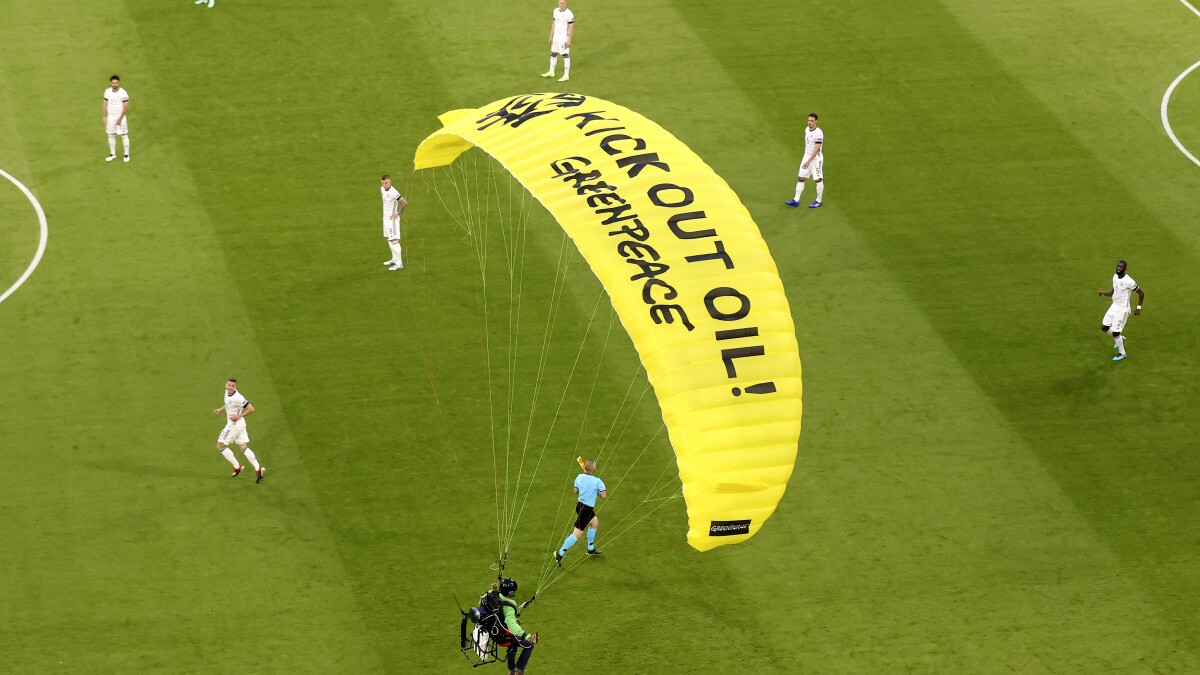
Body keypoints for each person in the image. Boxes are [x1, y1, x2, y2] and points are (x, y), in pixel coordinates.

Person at [213, 378, 266, 482]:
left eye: (232, 386)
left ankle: (237, 466)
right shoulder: (227, 392)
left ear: (235, 387)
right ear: (226, 385)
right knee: (242, 447)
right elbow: (228, 403)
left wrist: (239, 416)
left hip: (234, 424)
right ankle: (258, 468)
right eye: (229, 385)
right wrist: (220, 409)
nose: (230, 387)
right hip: (240, 424)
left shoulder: (238, 398)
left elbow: (251, 409)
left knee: (220, 446)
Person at [554, 458, 606, 564]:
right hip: (586, 510)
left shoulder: (579, 477)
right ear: (594, 468)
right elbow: (604, 496)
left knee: (594, 523)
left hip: (579, 506)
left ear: (585, 468)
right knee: (577, 533)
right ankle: (560, 552)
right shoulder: (597, 481)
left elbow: (575, 491)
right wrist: (597, 492)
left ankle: (590, 548)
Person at [487, 578, 537, 675]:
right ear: (510, 593)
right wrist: (527, 636)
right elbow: (511, 625)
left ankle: (512, 670)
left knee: (513, 645)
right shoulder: (509, 607)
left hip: (494, 632)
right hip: (503, 636)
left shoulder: (491, 595)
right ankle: (519, 671)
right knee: (529, 645)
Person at [1099, 259, 1144, 362]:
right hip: (1114, 306)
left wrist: (1138, 308)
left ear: (1125, 268)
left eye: (1121, 267)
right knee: (1104, 327)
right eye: (1117, 266)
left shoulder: (1129, 281)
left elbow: (1141, 293)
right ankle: (1120, 338)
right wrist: (1104, 294)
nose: (1118, 268)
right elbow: (1114, 292)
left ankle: (1122, 353)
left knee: (1115, 333)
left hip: (1122, 309)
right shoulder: (1115, 277)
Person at [785, 113, 824, 208]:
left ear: (816, 121)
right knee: (801, 177)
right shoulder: (807, 129)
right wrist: (806, 159)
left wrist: (808, 161)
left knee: (818, 179)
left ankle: (818, 201)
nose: (809, 123)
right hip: (806, 157)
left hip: (815, 159)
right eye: (808, 120)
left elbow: (816, 149)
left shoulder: (819, 133)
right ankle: (796, 200)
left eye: (812, 121)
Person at [540, 0, 574, 83]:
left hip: (564, 38)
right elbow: (553, 24)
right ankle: (551, 72)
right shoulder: (555, 11)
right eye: (560, 3)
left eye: (563, 3)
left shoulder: (569, 14)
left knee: (565, 55)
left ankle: (566, 75)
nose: (561, 5)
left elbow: (571, 27)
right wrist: (551, 36)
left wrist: (569, 40)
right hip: (556, 37)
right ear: (558, 3)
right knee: (553, 53)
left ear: (566, 3)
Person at [380, 174, 407, 271]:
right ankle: (394, 259)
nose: (384, 184)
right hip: (385, 219)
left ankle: (399, 263)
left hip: (392, 221)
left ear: (390, 181)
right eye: (382, 183)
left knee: (393, 240)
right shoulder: (382, 189)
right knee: (388, 238)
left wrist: (398, 214)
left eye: (386, 182)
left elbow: (404, 203)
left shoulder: (393, 192)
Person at [103, 75, 130, 163]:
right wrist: (104, 116)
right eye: (113, 83)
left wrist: (120, 118)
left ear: (119, 83)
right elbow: (105, 104)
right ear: (110, 83)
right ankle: (112, 154)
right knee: (111, 135)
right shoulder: (107, 92)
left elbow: (126, 107)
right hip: (111, 117)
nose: (115, 84)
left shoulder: (123, 93)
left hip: (120, 118)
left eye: (116, 83)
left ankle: (126, 154)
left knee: (124, 135)